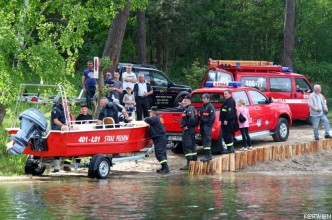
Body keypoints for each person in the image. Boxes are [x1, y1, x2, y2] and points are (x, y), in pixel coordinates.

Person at [144, 106, 170, 174]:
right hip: (161, 137)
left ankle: (166, 168)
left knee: (159, 154)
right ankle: (164, 167)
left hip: (159, 137)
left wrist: (145, 118)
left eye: (150, 112)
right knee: (163, 153)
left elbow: (148, 120)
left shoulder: (155, 117)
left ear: (152, 112)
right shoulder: (159, 117)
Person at [179, 95, 198, 170]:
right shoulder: (188, 108)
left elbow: (192, 119)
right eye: (183, 100)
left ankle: (189, 163)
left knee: (187, 146)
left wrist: (187, 126)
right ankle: (194, 162)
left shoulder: (189, 108)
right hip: (191, 130)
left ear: (189, 101)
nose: (183, 102)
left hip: (188, 130)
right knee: (192, 146)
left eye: (185, 101)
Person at [199, 93, 216, 162]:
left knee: (207, 140)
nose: (203, 100)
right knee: (204, 140)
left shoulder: (210, 106)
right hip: (203, 125)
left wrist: (209, 125)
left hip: (207, 126)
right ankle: (206, 155)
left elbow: (212, 117)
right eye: (202, 98)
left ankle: (208, 156)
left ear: (208, 99)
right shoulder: (203, 106)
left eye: (204, 98)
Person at [219, 89, 236, 154]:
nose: (224, 95)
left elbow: (230, 112)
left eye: (226, 94)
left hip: (228, 121)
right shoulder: (228, 101)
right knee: (225, 135)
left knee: (227, 135)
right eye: (224, 94)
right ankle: (230, 148)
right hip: (225, 121)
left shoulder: (231, 101)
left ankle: (230, 149)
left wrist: (226, 120)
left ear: (230, 94)